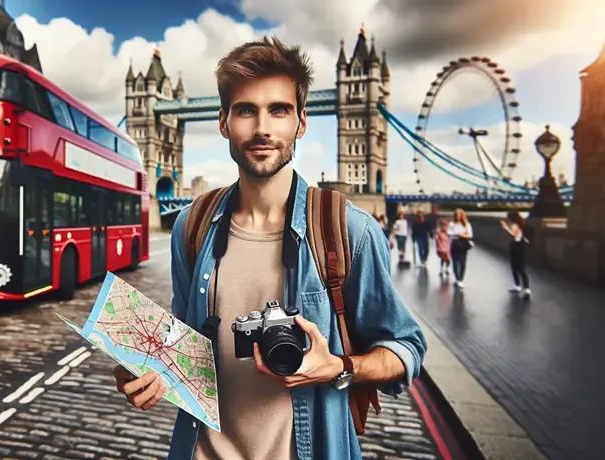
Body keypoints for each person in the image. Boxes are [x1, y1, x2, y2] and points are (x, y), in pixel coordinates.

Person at [112, 36, 426, 460]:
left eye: (278, 110)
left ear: (301, 122)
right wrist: (150, 370)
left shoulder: (349, 230)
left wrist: (340, 366)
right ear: (223, 122)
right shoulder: (192, 225)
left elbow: (405, 348)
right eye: (245, 110)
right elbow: (186, 350)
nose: (262, 128)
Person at [501, 211, 531, 299]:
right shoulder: (523, 224)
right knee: (521, 267)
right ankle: (525, 288)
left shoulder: (515, 225)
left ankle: (520, 286)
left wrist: (505, 227)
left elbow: (514, 235)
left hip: (516, 246)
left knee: (515, 266)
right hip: (521, 246)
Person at [447, 208, 473, 288]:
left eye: (459, 215)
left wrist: (460, 235)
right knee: (455, 262)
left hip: (463, 243)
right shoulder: (452, 224)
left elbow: (470, 235)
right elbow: (449, 233)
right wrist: (458, 234)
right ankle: (457, 278)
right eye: (456, 215)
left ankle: (461, 279)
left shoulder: (467, 224)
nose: (458, 216)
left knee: (462, 263)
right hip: (454, 243)